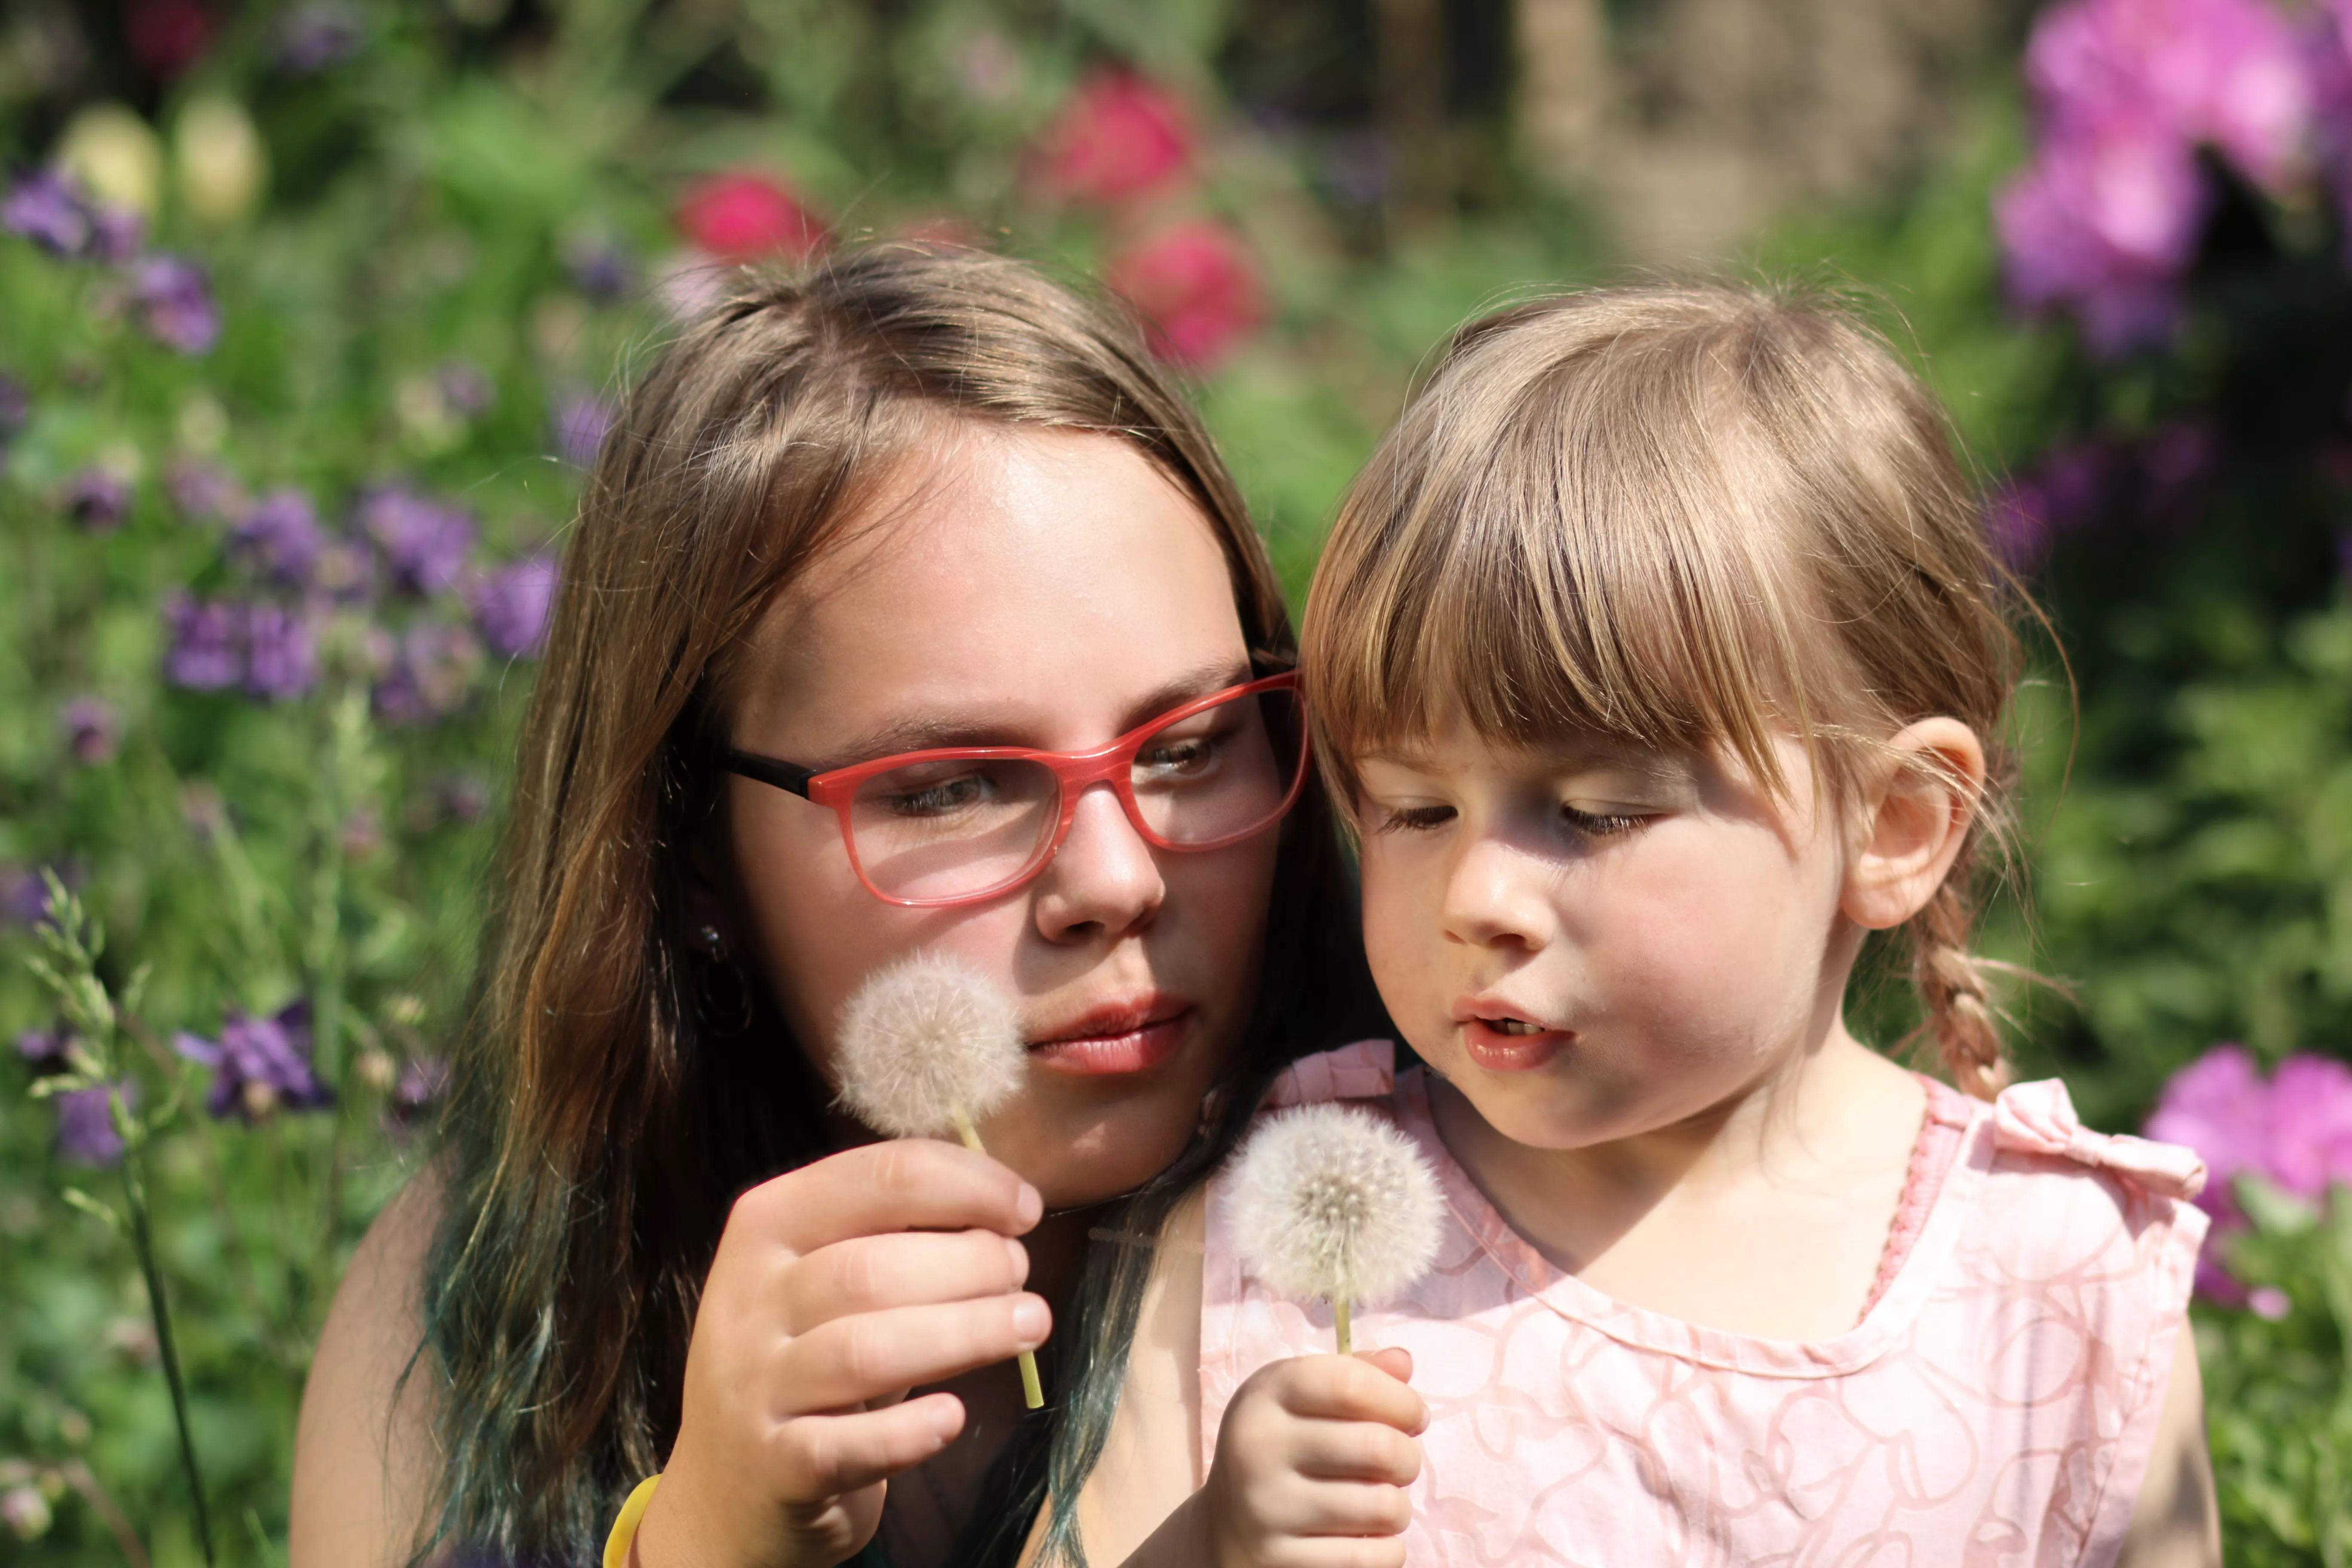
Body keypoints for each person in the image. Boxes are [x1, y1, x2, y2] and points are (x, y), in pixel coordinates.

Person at [1061, 283, 2220, 1568]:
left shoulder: (2063, 1298)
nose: (1477, 897)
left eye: (1594, 814)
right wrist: (1206, 1543)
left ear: (1892, 824)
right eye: (1414, 808)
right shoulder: (1277, 1243)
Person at [286, 244, 1384, 1568]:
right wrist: (704, 1542)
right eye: (952, 788)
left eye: (1190, 745)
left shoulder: (1503, 1232)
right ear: (693, 854)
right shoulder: (478, 1302)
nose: (1116, 879)